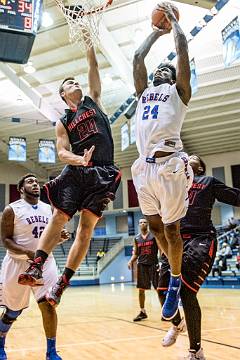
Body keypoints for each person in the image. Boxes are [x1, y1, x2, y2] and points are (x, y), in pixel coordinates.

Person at [18, 43, 121, 307]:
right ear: (63, 94)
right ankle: (36, 266)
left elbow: (93, 67)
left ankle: (62, 283)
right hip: (78, 169)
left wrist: (89, 44)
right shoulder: (63, 121)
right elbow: (62, 153)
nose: (75, 83)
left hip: (103, 170)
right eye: (69, 83)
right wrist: (80, 159)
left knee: (86, 229)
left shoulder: (94, 102)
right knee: (59, 216)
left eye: (76, 81)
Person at [131, 2, 193, 320]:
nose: (159, 71)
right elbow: (138, 58)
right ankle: (172, 270)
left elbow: (181, 49)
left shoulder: (179, 92)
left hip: (169, 165)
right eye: (158, 70)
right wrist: (155, 33)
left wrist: (174, 24)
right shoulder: (143, 94)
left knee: (171, 230)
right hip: (144, 167)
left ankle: (174, 281)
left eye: (164, 70)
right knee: (155, 227)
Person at [158, 154, 240, 359]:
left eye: (194, 158)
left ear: (200, 168)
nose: (190, 156)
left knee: (186, 292)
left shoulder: (208, 182)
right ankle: (178, 325)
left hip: (200, 238)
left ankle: (196, 352)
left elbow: (234, 196)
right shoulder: (175, 183)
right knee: (161, 289)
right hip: (175, 241)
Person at [0, 174, 69, 360]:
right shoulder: (11, 209)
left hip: (45, 262)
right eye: (30, 182)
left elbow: (51, 236)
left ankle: (51, 352)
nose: (35, 184)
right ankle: (0, 344)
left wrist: (59, 237)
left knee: (48, 305)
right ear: (21, 189)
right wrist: (29, 253)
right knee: (12, 312)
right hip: (17, 262)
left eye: (37, 182)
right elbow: (5, 240)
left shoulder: (49, 209)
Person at [128, 218, 161, 321]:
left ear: (148, 224)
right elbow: (136, 253)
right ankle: (142, 312)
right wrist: (130, 261)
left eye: (145, 222)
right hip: (142, 265)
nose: (143, 223)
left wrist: (161, 262)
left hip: (153, 264)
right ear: (139, 225)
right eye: (141, 222)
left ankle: (165, 311)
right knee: (141, 290)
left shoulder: (153, 236)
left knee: (159, 289)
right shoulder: (136, 238)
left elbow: (161, 249)